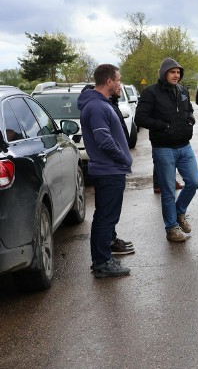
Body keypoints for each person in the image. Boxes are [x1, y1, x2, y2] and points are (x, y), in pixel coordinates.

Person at [77, 64, 133, 278]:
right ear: (109, 81)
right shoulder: (97, 107)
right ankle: (101, 263)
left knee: (106, 217)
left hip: (110, 170)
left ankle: (103, 259)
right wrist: (123, 157)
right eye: (118, 79)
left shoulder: (100, 104)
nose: (119, 82)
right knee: (105, 218)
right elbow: (104, 140)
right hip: (109, 170)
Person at [135, 58, 198, 242]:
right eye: (172, 72)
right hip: (163, 148)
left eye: (178, 72)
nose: (176, 75)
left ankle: (179, 213)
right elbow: (140, 118)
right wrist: (163, 126)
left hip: (185, 146)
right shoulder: (151, 93)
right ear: (164, 73)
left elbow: (189, 110)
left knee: (194, 182)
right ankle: (171, 228)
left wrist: (190, 119)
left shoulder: (183, 91)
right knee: (168, 190)